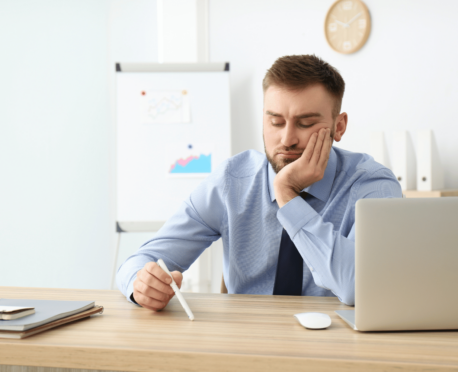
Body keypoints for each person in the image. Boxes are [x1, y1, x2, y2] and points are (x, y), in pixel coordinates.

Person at [117, 54, 402, 310]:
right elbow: (139, 261)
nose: (287, 139)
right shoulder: (232, 181)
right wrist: (141, 285)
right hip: (246, 347)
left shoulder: (373, 185)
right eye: (276, 122)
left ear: (338, 126)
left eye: (305, 123)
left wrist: (286, 195)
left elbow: (359, 288)